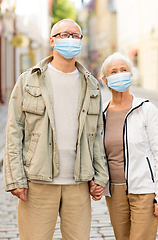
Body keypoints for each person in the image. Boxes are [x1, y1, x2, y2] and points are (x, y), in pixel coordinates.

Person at [3, 18, 109, 240]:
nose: (70, 39)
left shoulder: (91, 85)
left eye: (75, 36)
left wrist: (100, 175)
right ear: (52, 41)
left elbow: (97, 134)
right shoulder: (28, 81)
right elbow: (14, 131)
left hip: (78, 184)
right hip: (38, 183)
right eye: (64, 35)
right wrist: (15, 179)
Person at [101, 52, 158, 240]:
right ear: (105, 80)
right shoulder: (101, 114)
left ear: (131, 75)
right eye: (113, 71)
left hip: (144, 190)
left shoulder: (146, 109)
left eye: (124, 70)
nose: (120, 74)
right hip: (114, 191)